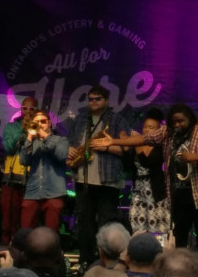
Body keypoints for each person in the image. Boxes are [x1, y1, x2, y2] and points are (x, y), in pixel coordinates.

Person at [91, 103, 198, 251]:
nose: (177, 124)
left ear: (190, 119)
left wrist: (196, 157)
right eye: (174, 121)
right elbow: (143, 139)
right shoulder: (167, 131)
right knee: (180, 235)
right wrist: (114, 141)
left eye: (181, 121)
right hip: (177, 193)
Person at [67, 86, 129, 267]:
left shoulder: (117, 120)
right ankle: (86, 260)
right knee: (84, 224)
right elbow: (69, 142)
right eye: (91, 99)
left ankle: (108, 261)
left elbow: (126, 148)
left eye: (98, 99)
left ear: (107, 100)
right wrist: (70, 150)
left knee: (107, 223)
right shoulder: (80, 118)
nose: (93, 102)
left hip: (108, 181)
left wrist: (106, 147)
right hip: (83, 179)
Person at [19, 110, 69, 232]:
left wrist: (45, 137)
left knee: (51, 233)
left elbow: (61, 156)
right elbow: (23, 161)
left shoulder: (60, 140)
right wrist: (29, 139)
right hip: (33, 192)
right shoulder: (31, 142)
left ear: (49, 123)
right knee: (25, 231)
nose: (40, 125)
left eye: (43, 121)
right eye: (36, 122)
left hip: (54, 192)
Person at [1, 98, 38, 245]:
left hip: (32, 179)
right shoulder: (11, 127)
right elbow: (9, 147)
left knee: (29, 220)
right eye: (25, 108)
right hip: (12, 178)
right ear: (20, 110)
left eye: (31, 109)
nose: (28, 112)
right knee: (9, 217)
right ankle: (7, 246)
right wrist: (22, 130)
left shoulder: (40, 128)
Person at [128, 108, 171, 236]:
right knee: (136, 226)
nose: (146, 130)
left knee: (157, 228)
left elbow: (146, 161)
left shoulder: (161, 146)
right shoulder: (138, 144)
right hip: (139, 191)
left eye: (151, 127)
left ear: (159, 130)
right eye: (145, 127)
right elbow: (129, 164)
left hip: (155, 191)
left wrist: (136, 144)